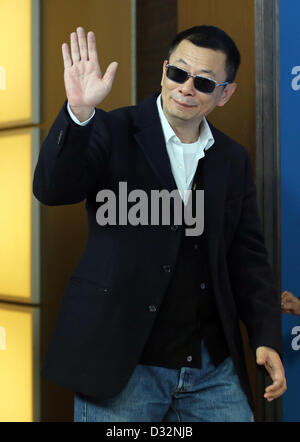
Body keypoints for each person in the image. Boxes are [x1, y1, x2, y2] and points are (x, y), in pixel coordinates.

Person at [33, 25, 286, 422]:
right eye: (178, 74)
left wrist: (266, 336)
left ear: (225, 94)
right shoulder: (111, 129)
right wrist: (79, 114)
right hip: (122, 363)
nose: (186, 88)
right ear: (164, 70)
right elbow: (52, 189)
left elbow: (247, 257)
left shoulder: (232, 159)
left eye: (203, 82)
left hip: (211, 369)